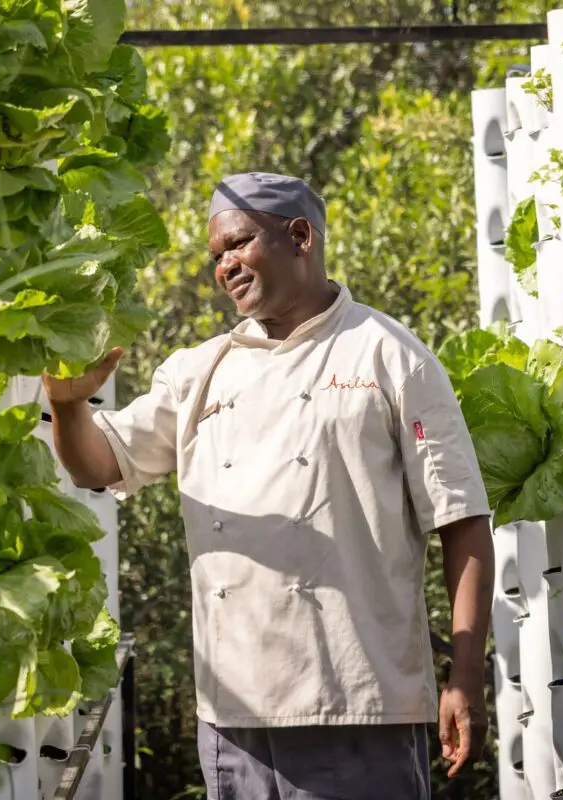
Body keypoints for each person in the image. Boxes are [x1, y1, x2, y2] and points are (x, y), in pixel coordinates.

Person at [44, 172, 495, 800]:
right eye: (216, 256)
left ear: (300, 236)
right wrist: (68, 407)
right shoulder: (200, 370)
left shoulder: (390, 356)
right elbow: (98, 465)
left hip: (358, 705)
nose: (224, 266)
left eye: (238, 244)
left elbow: (463, 521)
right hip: (233, 715)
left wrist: (464, 680)